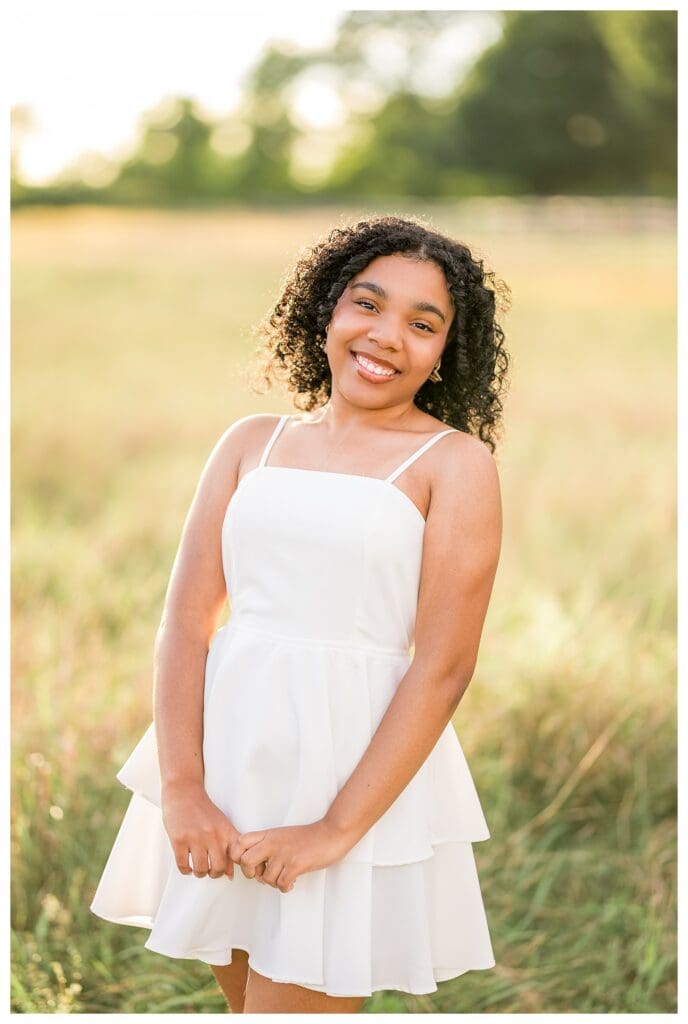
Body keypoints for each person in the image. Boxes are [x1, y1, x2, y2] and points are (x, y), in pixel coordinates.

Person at [90, 214, 510, 1014]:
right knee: (246, 1000)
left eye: (423, 325)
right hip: (230, 765)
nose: (387, 336)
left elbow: (444, 667)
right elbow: (187, 623)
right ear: (326, 310)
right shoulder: (253, 442)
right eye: (368, 304)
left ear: (445, 352)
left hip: (347, 778)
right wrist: (184, 787)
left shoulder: (454, 466)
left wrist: (335, 829)